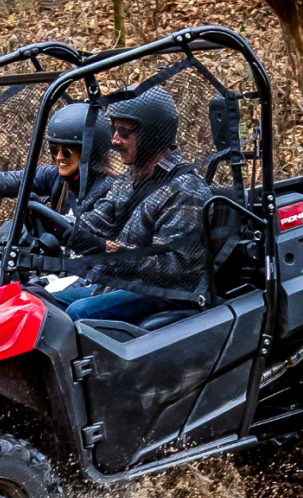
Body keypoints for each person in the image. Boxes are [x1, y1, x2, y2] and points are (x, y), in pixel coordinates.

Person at [63, 86, 211, 324]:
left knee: (78, 313)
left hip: (168, 293)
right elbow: (99, 220)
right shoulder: (130, 178)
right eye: (113, 130)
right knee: (47, 304)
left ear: (152, 134)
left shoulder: (185, 189)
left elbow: (171, 267)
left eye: (124, 132)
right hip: (126, 284)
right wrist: (60, 227)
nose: (114, 141)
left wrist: (110, 251)